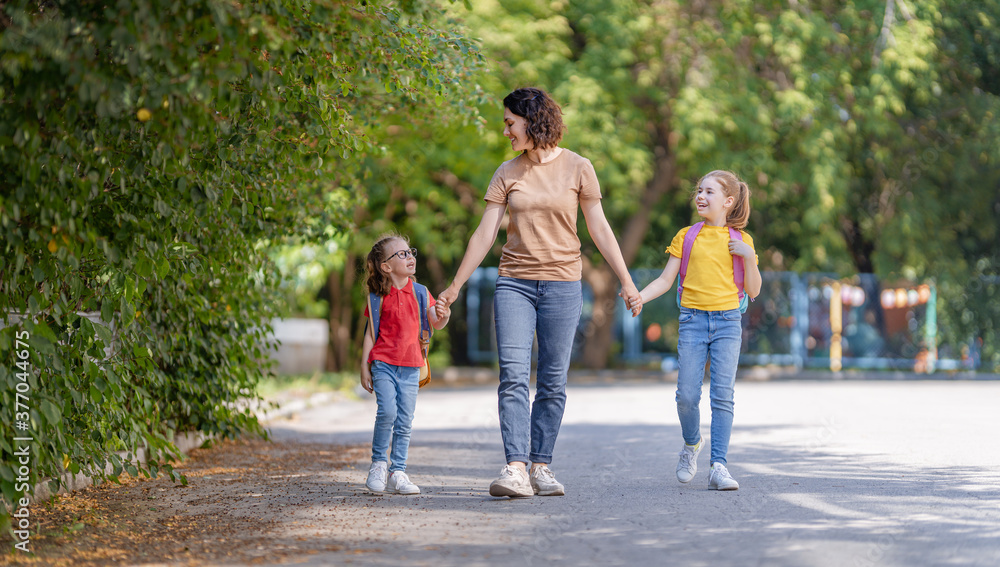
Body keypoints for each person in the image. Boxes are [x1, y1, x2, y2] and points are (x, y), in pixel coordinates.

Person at [436, 87, 641, 498]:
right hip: (514, 283)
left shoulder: (579, 167)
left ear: (532, 120)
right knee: (512, 375)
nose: (506, 131)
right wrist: (454, 286)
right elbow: (485, 232)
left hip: (564, 286)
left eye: (511, 122)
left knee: (552, 381)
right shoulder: (507, 172)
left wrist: (626, 279)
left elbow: (599, 227)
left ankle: (540, 466)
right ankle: (514, 468)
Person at [628, 170, 761, 491]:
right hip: (692, 321)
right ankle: (691, 445)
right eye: (699, 190)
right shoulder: (687, 236)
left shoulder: (742, 241)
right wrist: (639, 296)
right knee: (686, 395)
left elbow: (754, 290)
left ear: (728, 202)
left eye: (709, 192)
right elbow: (664, 279)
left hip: (728, 321)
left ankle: (719, 466)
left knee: (722, 396)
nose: (700, 196)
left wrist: (750, 258)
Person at [360, 234, 451, 495]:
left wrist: (444, 314)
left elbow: (436, 322)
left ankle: (397, 471)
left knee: (404, 420)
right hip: (383, 363)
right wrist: (364, 366)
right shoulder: (377, 297)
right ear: (386, 267)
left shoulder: (421, 293)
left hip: (412, 366)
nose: (410, 256)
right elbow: (370, 333)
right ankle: (378, 464)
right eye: (401, 254)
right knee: (387, 411)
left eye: (410, 252)